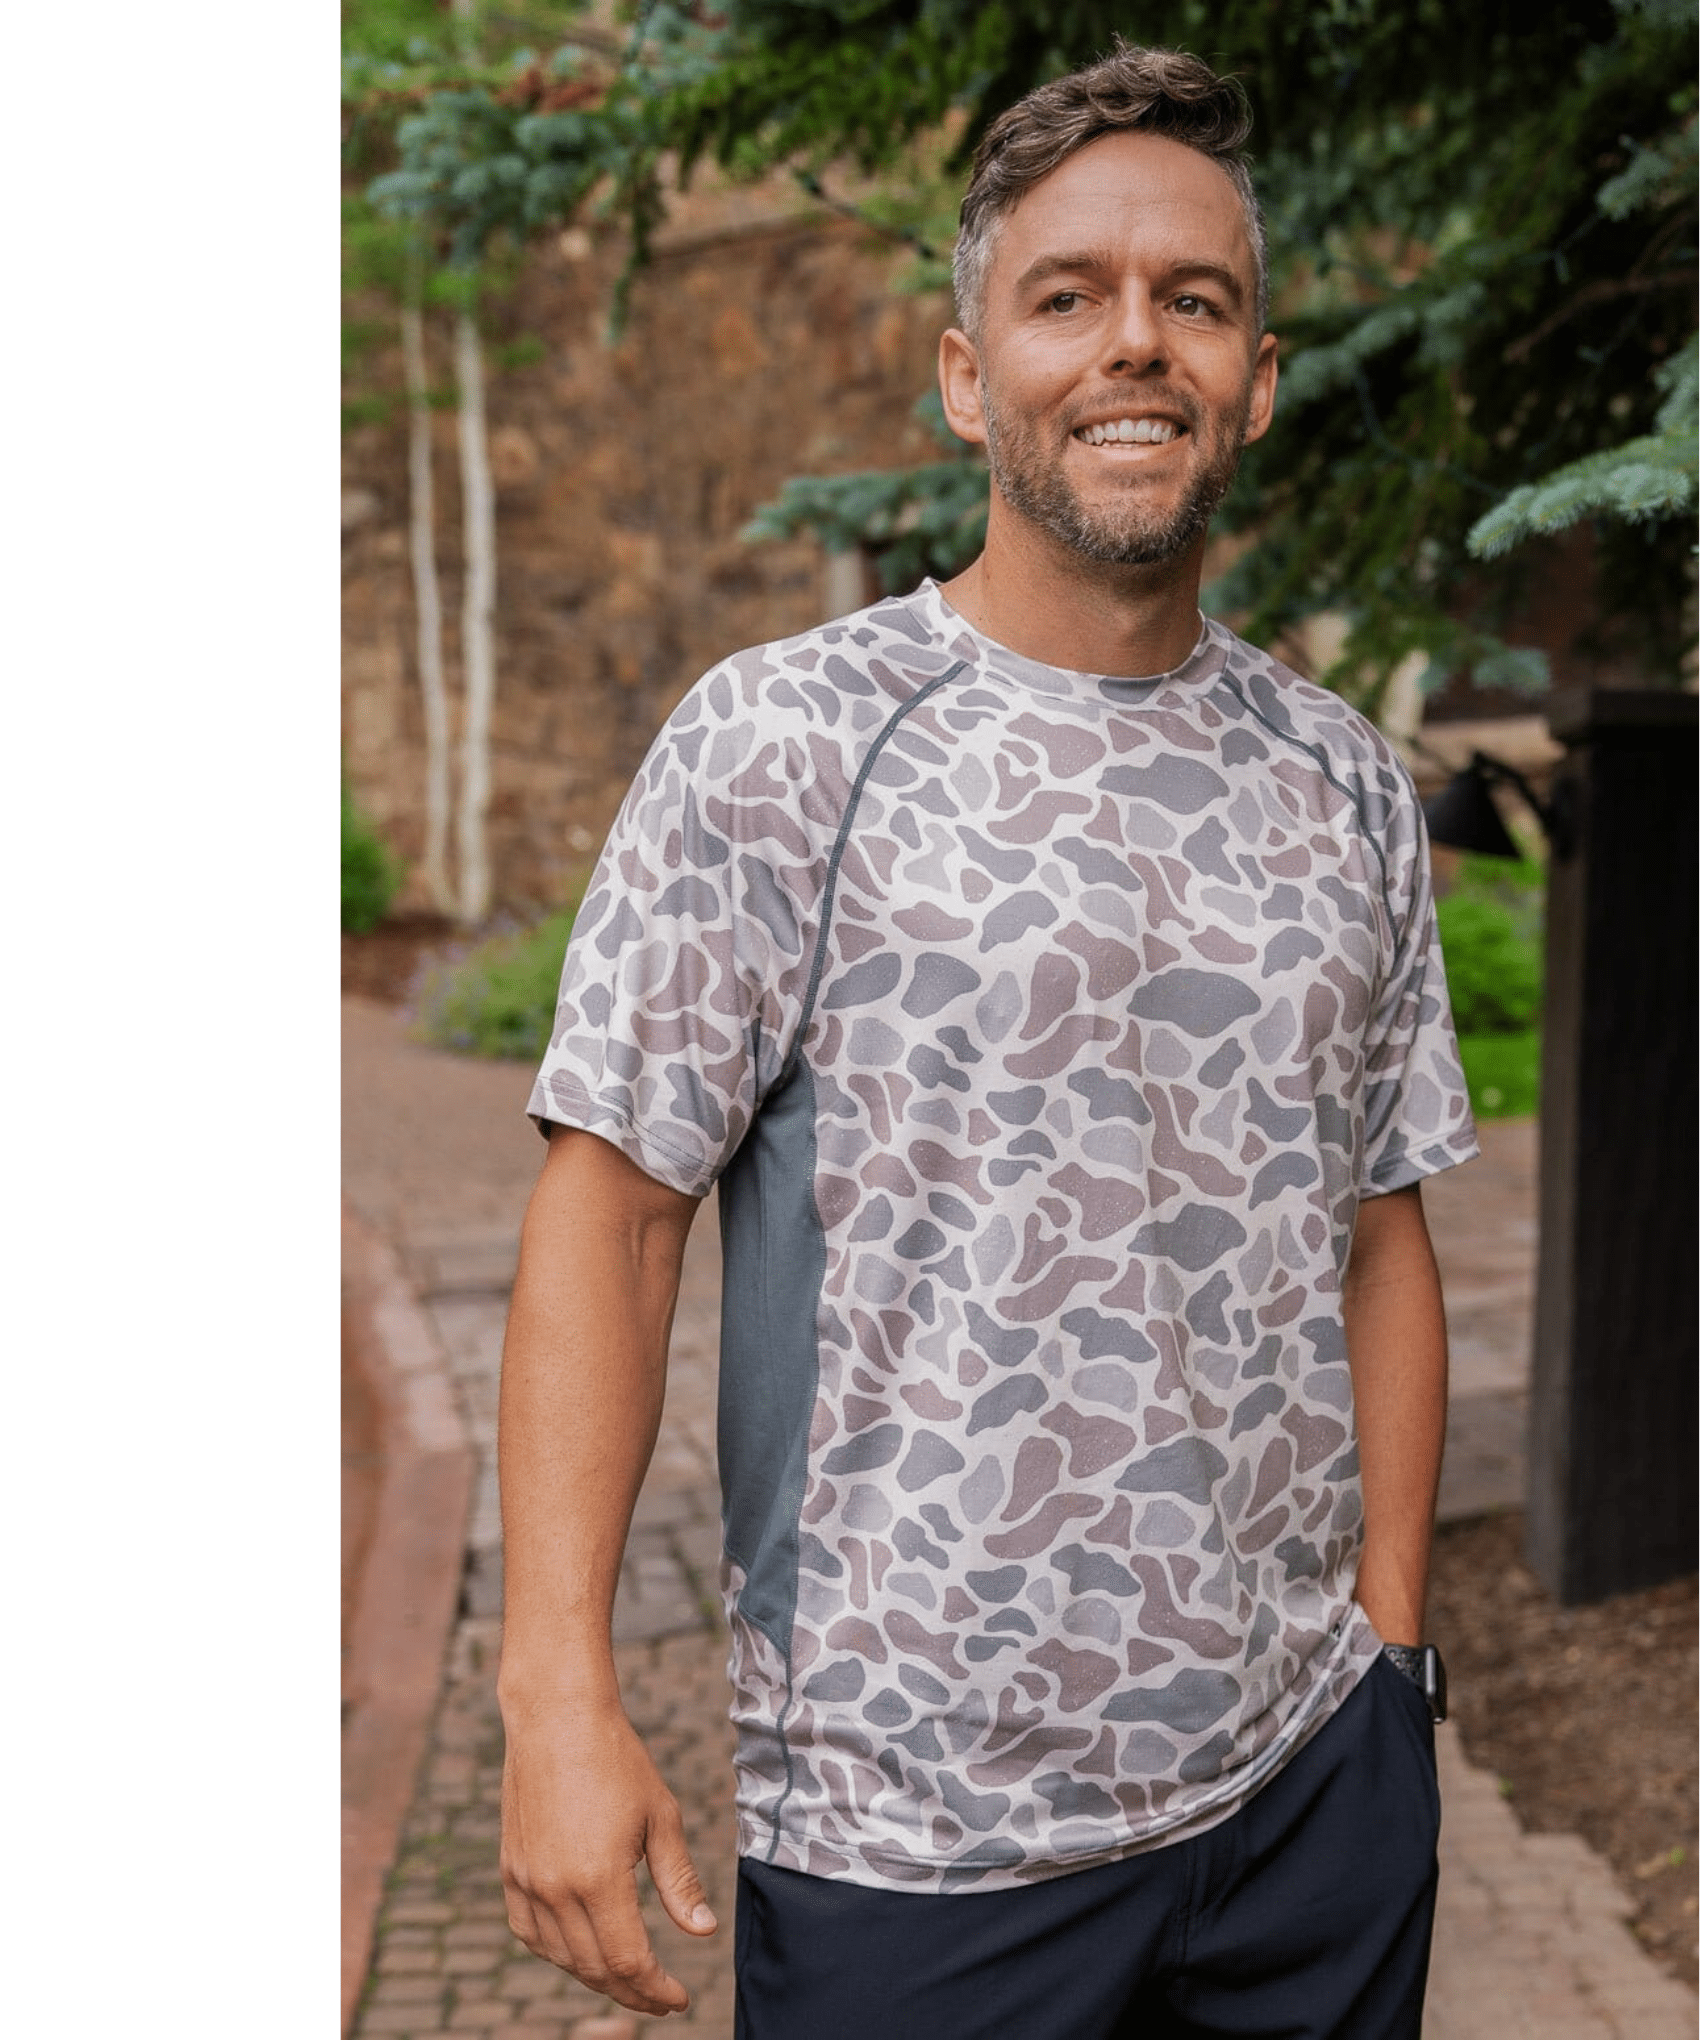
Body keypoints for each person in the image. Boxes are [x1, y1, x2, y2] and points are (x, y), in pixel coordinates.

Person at [496, 41, 1478, 2039]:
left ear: (1257, 378)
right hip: (917, 1845)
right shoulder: (783, 743)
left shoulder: (1344, 783)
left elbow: (1378, 1230)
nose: (1136, 345)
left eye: (1192, 300)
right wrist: (554, 1694)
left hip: (1308, 1808)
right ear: (968, 377)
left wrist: (1391, 1663)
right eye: (1067, 297)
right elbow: (612, 1220)